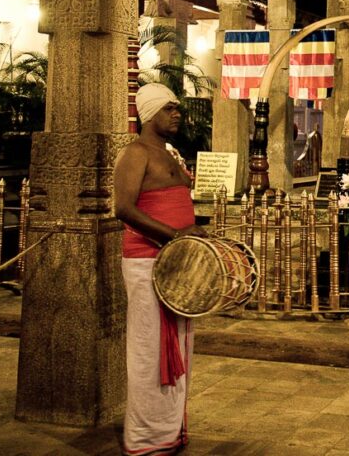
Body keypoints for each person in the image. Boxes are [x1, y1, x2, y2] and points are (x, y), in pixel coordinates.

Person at [114, 83, 206, 455]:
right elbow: (123, 209)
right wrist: (174, 235)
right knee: (149, 346)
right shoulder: (135, 154)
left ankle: (169, 431)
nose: (177, 115)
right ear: (149, 114)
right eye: (170, 109)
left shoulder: (169, 154)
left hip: (175, 260)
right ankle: (146, 437)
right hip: (147, 259)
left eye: (178, 109)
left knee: (179, 344)